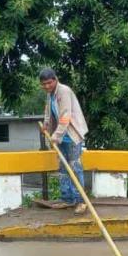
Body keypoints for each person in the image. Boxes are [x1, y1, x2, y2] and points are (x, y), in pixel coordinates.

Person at [40, 68, 89, 214]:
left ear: (55, 79)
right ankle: (67, 199)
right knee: (63, 169)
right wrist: (46, 124)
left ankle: (81, 201)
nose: (47, 86)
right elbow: (48, 111)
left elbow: (65, 116)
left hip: (71, 136)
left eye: (49, 83)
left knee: (75, 168)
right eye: (44, 84)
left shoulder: (64, 91)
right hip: (60, 136)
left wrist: (55, 136)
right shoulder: (50, 94)